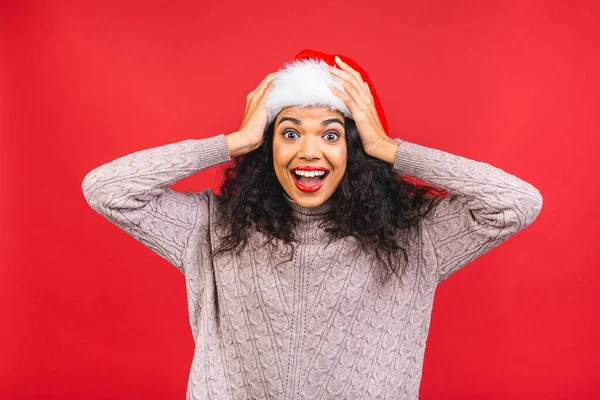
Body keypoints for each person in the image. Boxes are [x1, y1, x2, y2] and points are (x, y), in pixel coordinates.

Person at [82, 49, 543, 399]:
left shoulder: (415, 236)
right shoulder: (213, 228)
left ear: (356, 150)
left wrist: (390, 146)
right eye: (289, 132)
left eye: (330, 134)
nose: (308, 152)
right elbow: (107, 189)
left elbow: (516, 203)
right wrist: (234, 140)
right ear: (267, 148)